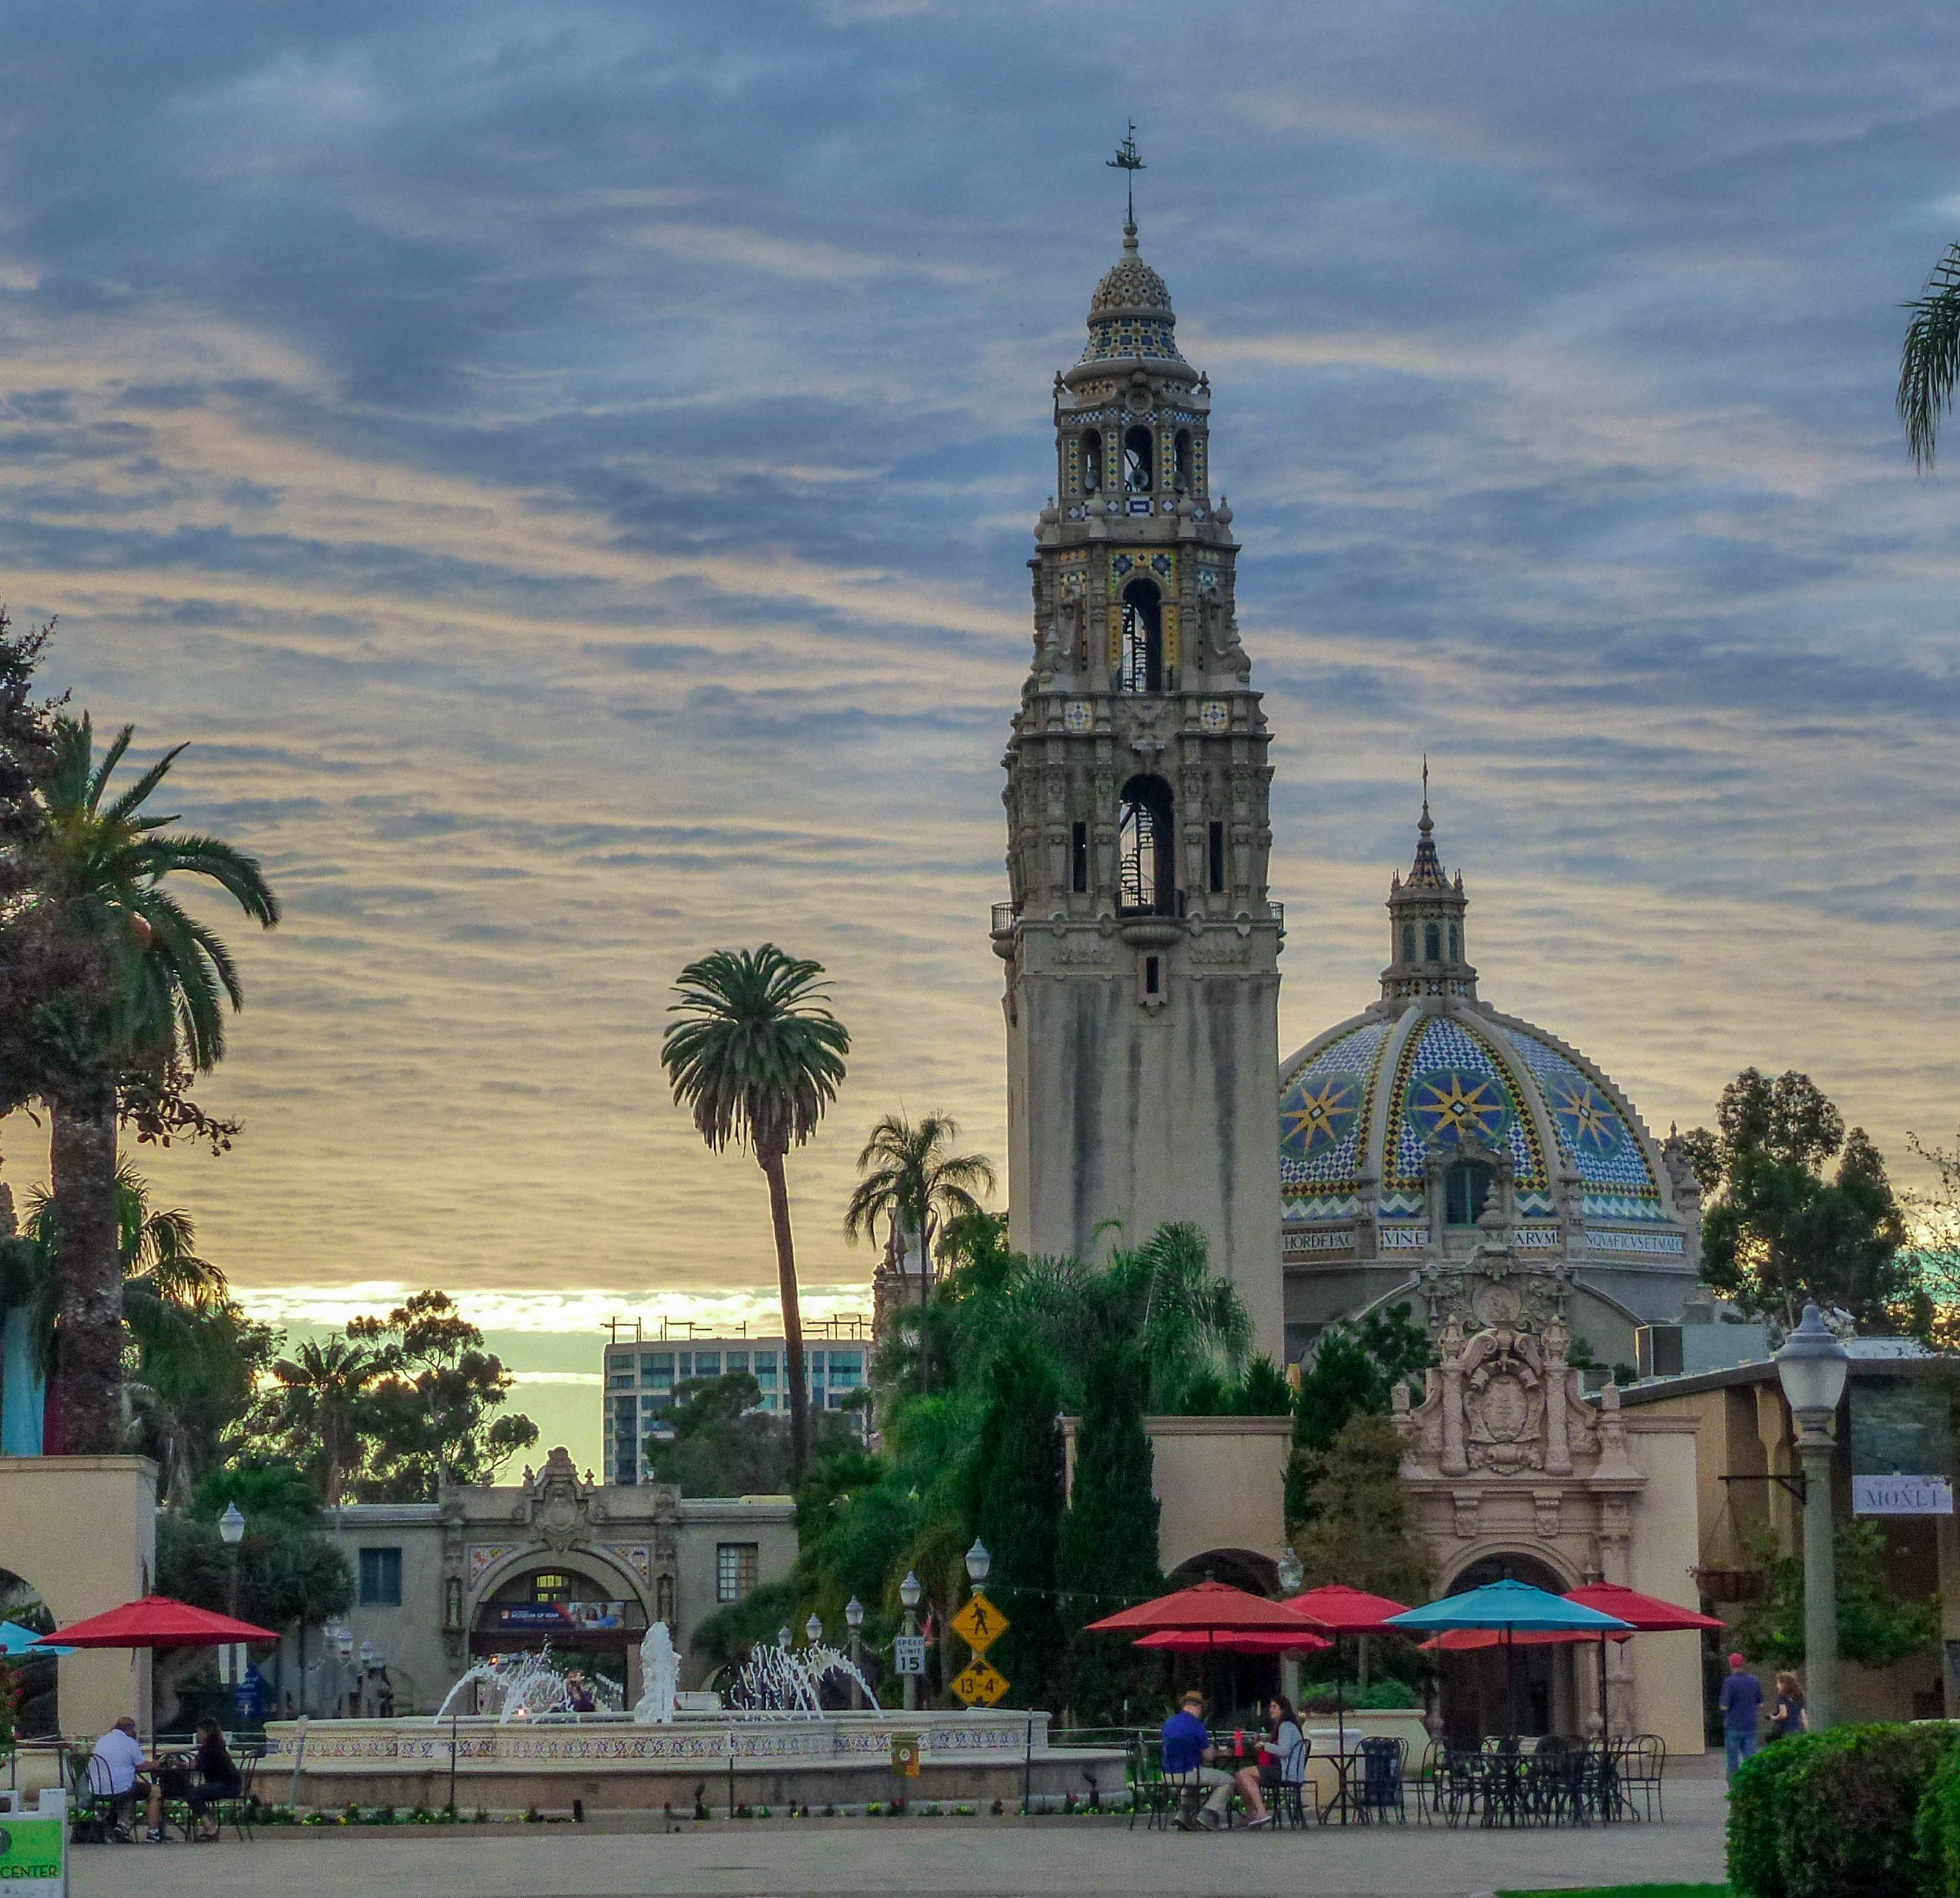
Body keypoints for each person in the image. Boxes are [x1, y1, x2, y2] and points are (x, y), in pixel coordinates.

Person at [1159, 1691, 1268, 1830]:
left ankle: (1184, 1813)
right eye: (1201, 1708)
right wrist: (1222, 1752)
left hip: (1167, 1774)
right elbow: (1208, 1756)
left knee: (1193, 1781)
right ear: (1197, 1707)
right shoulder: (1196, 1725)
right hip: (1188, 1772)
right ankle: (1208, 1813)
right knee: (1228, 1780)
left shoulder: (1169, 1723)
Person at [89, 1716, 153, 1842]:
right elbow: (143, 1766)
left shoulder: (102, 1740)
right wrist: (156, 1764)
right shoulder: (129, 1742)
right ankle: (149, 1832)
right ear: (131, 1730)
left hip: (98, 1789)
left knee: (129, 1787)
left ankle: (115, 1827)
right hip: (121, 1789)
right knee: (154, 1792)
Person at [183, 1719, 241, 1842]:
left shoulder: (210, 1748)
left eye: (199, 1732)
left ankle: (210, 1828)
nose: (197, 1735)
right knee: (196, 1792)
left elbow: (200, 1766)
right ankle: (208, 1826)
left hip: (227, 1786)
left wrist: (188, 1765)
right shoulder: (216, 1746)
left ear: (206, 1733)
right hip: (230, 1785)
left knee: (192, 1793)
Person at [1258, 1696, 1307, 1818]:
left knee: (1243, 1775)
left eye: (1274, 1707)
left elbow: (1284, 1751)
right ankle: (1256, 1812)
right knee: (1247, 1777)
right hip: (1291, 1772)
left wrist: (1265, 1746)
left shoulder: (1286, 1726)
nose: (1271, 1710)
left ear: (1283, 1710)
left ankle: (1259, 1812)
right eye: (1271, 1707)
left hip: (1286, 1773)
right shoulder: (1290, 1726)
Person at [1719, 1652, 1764, 1777]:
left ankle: (1734, 1790)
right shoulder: (1755, 1681)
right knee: (1750, 1759)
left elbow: (1724, 1706)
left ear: (1731, 1665)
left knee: (1733, 1760)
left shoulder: (1729, 1682)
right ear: (1743, 1664)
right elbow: (1760, 1704)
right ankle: (1749, 1787)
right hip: (1750, 1725)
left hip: (1733, 1725)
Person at [1769, 1672, 1808, 1740]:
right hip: (1796, 1729)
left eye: (1778, 1683)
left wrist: (1773, 1717)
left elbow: (1783, 1714)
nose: (1777, 1685)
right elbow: (1803, 1715)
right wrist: (1807, 1729)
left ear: (1784, 1684)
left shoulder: (1782, 1696)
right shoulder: (1799, 1695)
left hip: (1784, 1729)